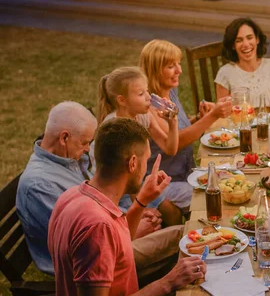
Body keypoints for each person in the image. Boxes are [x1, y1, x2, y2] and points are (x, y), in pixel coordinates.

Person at [48, 117, 207, 296]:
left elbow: (117, 246)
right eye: (146, 162)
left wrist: (141, 200)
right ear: (132, 163)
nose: (146, 170)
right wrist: (168, 282)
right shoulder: (97, 225)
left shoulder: (73, 196)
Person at [17, 101, 181, 279]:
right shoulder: (40, 185)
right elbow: (84, 245)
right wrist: (132, 229)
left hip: (110, 238)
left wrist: (132, 214)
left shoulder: (68, 159)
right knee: (182, 240)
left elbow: (100, 205)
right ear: (64, 138)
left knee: (182, 236)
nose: (88, 148)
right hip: (91, 267)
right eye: (85, 142)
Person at [139, 39, 232, 214]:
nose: (179, 70)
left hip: (185, 173)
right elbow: (176, 143)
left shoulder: (170, 92)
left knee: (229, 179)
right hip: (165, 182)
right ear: (154, 70)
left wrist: (198, 118)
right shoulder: (150, 106)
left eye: (178, 64)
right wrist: (212, 116)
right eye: (170, 66)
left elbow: (178, 128)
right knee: (216, 196)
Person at [96, 66, 181, 226]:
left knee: (172, 213)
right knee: (154, 222)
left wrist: (173, 123)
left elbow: (170, 148)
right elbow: (126, 177)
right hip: (116, 194)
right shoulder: (115, 129)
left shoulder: (143, 116)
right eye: (141, 94)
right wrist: (142, 207)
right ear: (122, 100)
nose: (149, 97)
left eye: (147, 91)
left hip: (137, 182)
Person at [215, 17, 270, 110]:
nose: (246, 44)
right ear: (233, 45)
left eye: (249, 38)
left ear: (257, 39)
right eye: (239, 40)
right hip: (239, 123)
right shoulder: (225, 74)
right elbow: (222, 115)